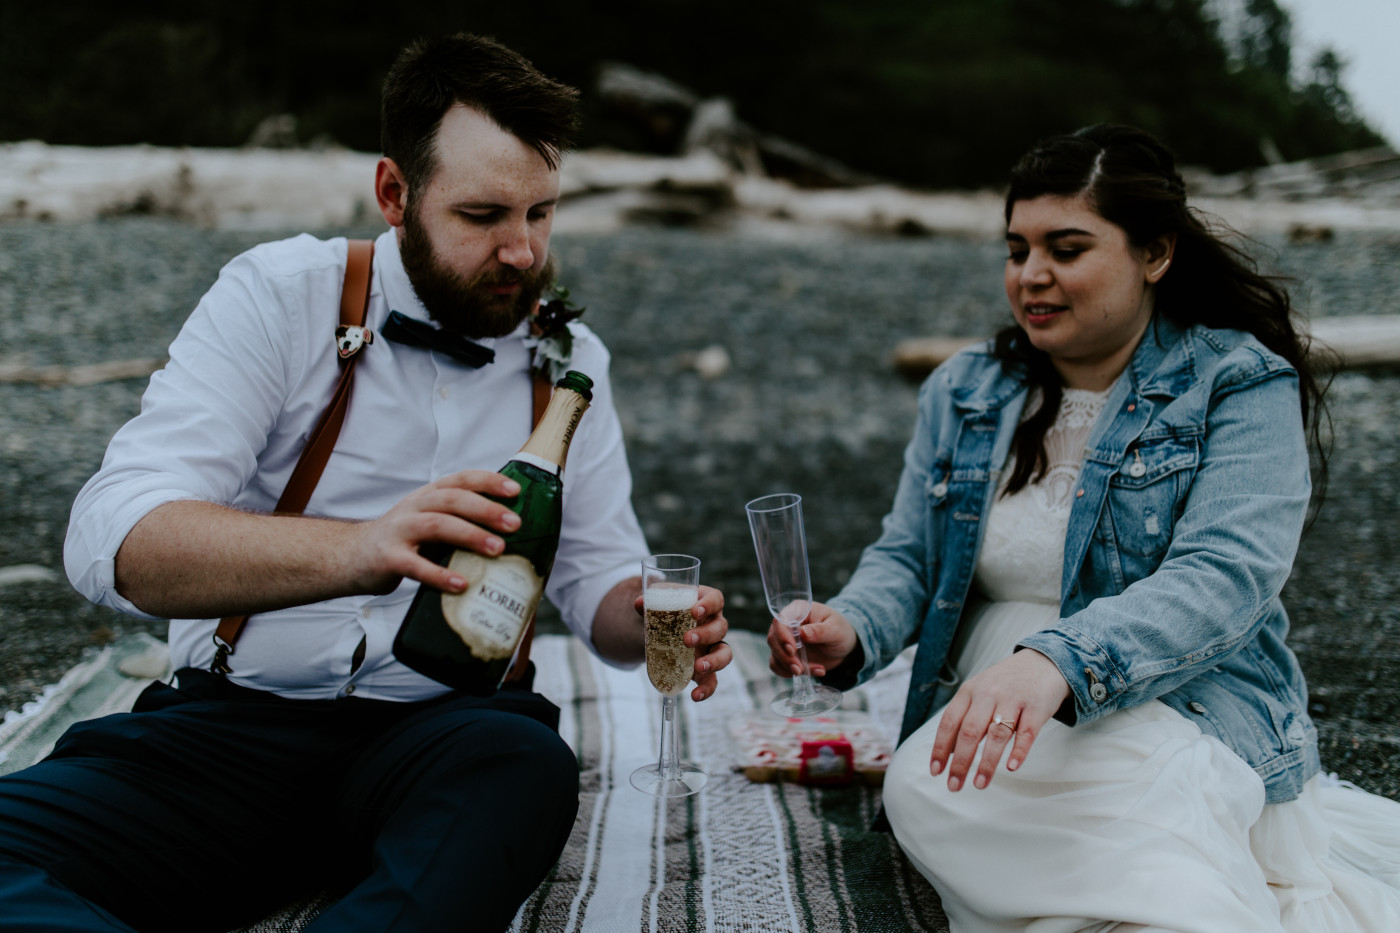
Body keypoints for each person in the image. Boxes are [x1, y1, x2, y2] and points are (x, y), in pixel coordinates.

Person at [0, 32, 731, 933]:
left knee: (526, 767)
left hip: (445, 739)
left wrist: (663, 615)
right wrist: (359, 548)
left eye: (541, 214)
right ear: (394, 193)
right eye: (483, 215)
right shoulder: (279, 295)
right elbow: (111, 538)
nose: (521, 252)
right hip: (230, 731)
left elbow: (598, 589)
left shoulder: (571, 362)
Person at [768, 124, 1400, 931]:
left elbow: (1225, 574)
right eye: (1016, 248)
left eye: (1066, 248)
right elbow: (910, 554)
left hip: (1177, 695)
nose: (1031, 275)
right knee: (926, 789)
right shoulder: (966, 386)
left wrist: (1056, 663)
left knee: (1139, 804)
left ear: (1156, 253)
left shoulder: (1238, 382)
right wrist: (850, 626)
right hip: (991, 705)